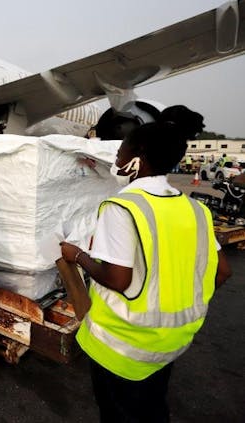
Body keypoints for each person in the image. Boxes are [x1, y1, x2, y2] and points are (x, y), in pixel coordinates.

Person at [59, 105, 231, 422]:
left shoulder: (122, 208)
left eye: (121, 151)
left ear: (138, 154)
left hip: (123, 346)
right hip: (172, 342)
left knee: (120, 414)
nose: (117, 159)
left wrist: (78, 256)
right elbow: (222, 271)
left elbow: (118, 279)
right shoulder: (196, 210)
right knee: (153, 410)